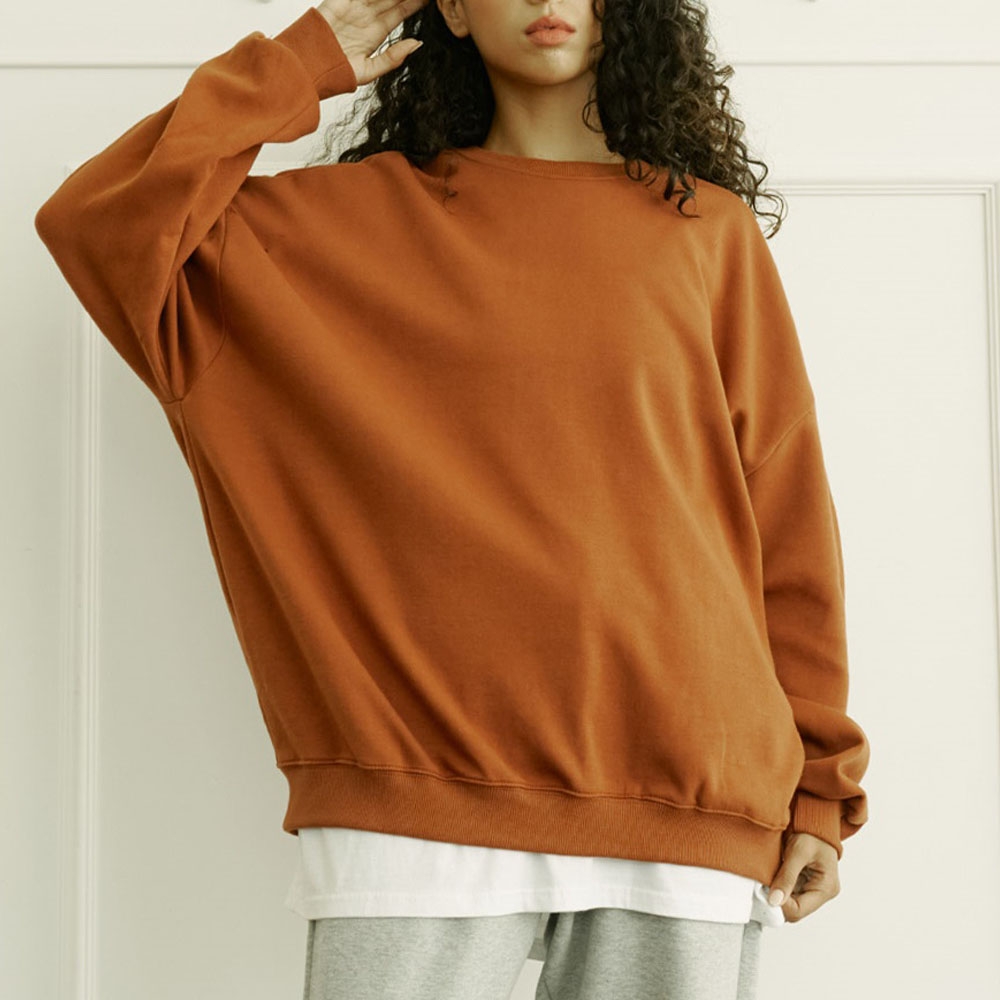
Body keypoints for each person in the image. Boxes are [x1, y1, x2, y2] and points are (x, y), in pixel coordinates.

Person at [34, 0, 871, 997]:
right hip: (414, 786)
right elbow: (101, 222)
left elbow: (785, 520)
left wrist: (821, 785)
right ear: (457, 12)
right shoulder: (341, 228)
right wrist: (297, 66)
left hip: (689, 779)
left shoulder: (706, 230)